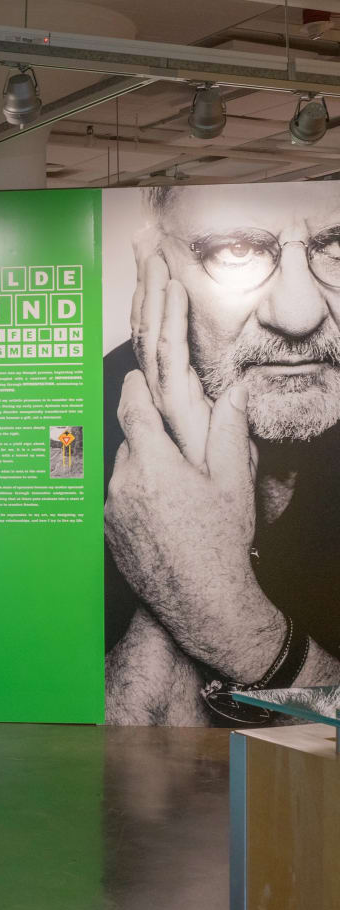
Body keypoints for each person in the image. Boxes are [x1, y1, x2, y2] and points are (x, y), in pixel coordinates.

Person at [104, 182, 340, 727]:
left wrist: (226, 612)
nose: (299, 315)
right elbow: (99, 786)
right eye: (236, 250)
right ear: (156, 265)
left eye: (338, 245)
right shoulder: (70, 425)